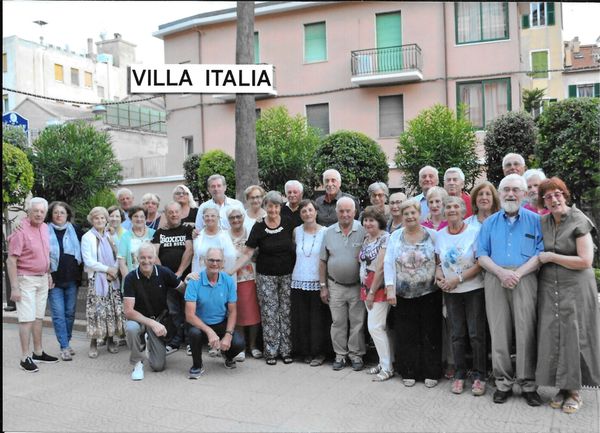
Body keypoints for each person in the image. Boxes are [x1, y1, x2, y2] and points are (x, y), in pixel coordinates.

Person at [477, 173, 543, 406]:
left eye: (516, 190)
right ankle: (503, 383)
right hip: (496, 278)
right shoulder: (490, 222)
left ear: (524, 194)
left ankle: (528, 384)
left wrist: (518, 273)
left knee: (526, 332)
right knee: (499, 332)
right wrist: (501, 273)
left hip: (525, 278)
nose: (511, 194)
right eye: (506, 189)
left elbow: (539, 254)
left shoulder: (536, 221)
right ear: (500, 193)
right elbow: (481, 254)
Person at [536, 178, 600, 414]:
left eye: (557, 194)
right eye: (548, 196)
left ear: (565, 195)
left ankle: (574, 391)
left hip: (575, 286)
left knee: (574, 335)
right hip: (550, 287)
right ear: (543, 201)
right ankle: (561, 387)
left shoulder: (579, 220)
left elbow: (585, 260)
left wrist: (552, 257)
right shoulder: (543, 221)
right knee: (555, 335)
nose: (553, 199)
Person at [231, 191, 295, 365]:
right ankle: (271, 351)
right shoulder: (259, 226)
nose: (273, 209)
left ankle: (286, 350)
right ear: (265, 207)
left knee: (286, 313)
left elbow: (296, 245)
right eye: (270, 206)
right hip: (266, 276)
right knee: (269, 314)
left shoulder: (289, 223)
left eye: (276, 206)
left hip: (287, 275)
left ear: (280, 207)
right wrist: (232, 270)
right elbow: (248, 252)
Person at [384, 199, 441, 388]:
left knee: (429, 332)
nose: (409, 216)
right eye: (406, 213)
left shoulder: (432, 235)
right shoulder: (395, 236)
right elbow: (388, 263)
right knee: (406, 333)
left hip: (429, 293)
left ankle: (431, 372)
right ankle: (409, 371)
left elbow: (439, 259)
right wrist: (390, 288)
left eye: (413, 213)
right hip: (403, 293)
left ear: (420, 215)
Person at [434, 196, 486, 396]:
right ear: (444, 211)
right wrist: (439, 277)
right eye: (448, 206)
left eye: (456, 206)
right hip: (451, 292)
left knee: (476, 334)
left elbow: (480, 262)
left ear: (464, 211)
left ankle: (480, 375)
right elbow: (439, 262)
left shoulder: (475, 232)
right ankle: (459, 374)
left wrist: (458, 279)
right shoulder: (440, 235)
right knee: (456, 335)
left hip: (472, 289)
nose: (452, 209)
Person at [8, 197, 59, 372]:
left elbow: (46, 253)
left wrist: (49, 273)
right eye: (35, 210)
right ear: (28, 212)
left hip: (43, 278)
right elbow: (11, 261)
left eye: (42, 211)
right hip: (26, 279)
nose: (38, 214)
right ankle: (24, 357)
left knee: (38, 317)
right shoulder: (20, 230)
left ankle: (38, 352)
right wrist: (14, 287)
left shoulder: (45, 228)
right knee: (26, 318)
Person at [123, 243, 187, 380]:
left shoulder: (163, 272)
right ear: (136, 258)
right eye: (142, 257)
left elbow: (183, 289)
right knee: (131, 328)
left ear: (155, 258)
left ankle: (150, 344)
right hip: (139, 319)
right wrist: (151, 323)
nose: (146, 261)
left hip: (159, 319)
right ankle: (137, 363)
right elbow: (128, 311)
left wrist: (189, 281)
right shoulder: (130, 278)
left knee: (158, 366)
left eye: (149, 257)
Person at [319, 196, 366, 371]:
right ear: (336, 212)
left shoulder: (363, 230)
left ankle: (356, 355)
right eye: (341, 211)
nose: (345, 214)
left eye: (349, 211)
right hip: (335, 285)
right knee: (338, 322)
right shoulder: (328, 232)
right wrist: (323, 286)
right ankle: (340, 355)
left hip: (356, 285)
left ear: (354, 212)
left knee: (357, 322)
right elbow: (322, 261)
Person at [185, 248, 246, 378]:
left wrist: (228, 335)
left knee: (239, 342)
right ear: (204, 262)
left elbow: (232, 311)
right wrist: (209, 331)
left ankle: (227, 355)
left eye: (218, 260)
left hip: (220, 323)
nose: (214, 263)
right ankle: (197, 365)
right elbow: (189, 315)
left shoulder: (228, 280)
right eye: (211, 260)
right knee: (193, 333)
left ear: (223, 263)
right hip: (200, 324)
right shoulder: (195, 281)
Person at [81, 206, 126, 359]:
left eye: (102, 218)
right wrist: (108, 269)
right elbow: (88, 261)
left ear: (106, 219)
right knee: (96, 311)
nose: (100, 221)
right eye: (96, 218)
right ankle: (94, 342)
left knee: (112, 310)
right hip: (97, 279)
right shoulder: (87, 237)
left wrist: (113, 271)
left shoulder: (110, 236)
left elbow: (118, 255)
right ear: (92, 220)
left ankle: (111, 340)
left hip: (112, 278)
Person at [290, 199, 329, 366]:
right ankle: (305, 352)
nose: (307, 213)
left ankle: (319, 353)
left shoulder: (325, 232)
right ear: (300, 214)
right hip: (298, 281)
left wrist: (324, 285)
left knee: (318, 320)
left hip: (317, 282)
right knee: (302, 319)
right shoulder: (296, 231)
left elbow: (327, 258)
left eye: (310, 210)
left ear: (316, 212)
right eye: (304, 211)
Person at [152, 202, 194, 354]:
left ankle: (190, 342)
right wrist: (166, 275)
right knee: (173, 312)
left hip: (186, 278)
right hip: (167, 281)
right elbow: (154, 253)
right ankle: (175, 341)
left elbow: (189, 250)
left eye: (176, 212)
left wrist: (179, 272)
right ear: (166, 214)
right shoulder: (160, 232)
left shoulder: (187, 229)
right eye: (170, 212)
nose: (174, 214)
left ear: (180, 213)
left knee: (188, 309)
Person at [46, 201, 83, 361]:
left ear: (67, 214)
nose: (59, 215)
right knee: (58, 315)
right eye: (56, 212)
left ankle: (66, 342)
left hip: (72, 280)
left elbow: (93, 237)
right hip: (53, 281)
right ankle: (64, 346)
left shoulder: (75, 230)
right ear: (51, 215)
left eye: (62, 212)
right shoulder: (43, 230)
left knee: (69, 313)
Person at [360, 206, 393, 381]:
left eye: (371, 220)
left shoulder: (385, 238)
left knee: (375, 327)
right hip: (366, 286)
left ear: (379, 221)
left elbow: (380, 268)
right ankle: (383, 362)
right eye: (365, 220)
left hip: (378, 287)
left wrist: (372, 291)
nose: (368, 223)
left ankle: (387, 368)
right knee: (380, 327)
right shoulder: (366, 239)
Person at [227, 207, 262, 360]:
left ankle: (253, 345)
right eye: (232, 218)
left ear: (243, 217)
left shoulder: (250, 232)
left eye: (238, 217)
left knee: (253, 313)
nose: (236, 220)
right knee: (239, 313)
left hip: (251, 277)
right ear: (229, 220)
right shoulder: (225, 235)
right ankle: (241, 346)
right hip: (234, 279)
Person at [192, 205, 236, 275]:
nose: (210, 218)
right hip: (201, 277)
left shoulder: (226, 235)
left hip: (221, 277)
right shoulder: (198, 236)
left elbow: (230, 257)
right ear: (203, 218)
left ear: (218, 218)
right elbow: (195, 259)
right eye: (207, 216)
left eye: (213, 216)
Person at [118, 206, 156, 277]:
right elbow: (122, 263)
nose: (139, 219)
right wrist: (128, 281)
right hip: (133, 277)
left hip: (152, 277)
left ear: (145, 218)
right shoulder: (125, 236)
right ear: (130, 218)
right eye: (135, 216)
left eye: (142, 216)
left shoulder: (154, 234)